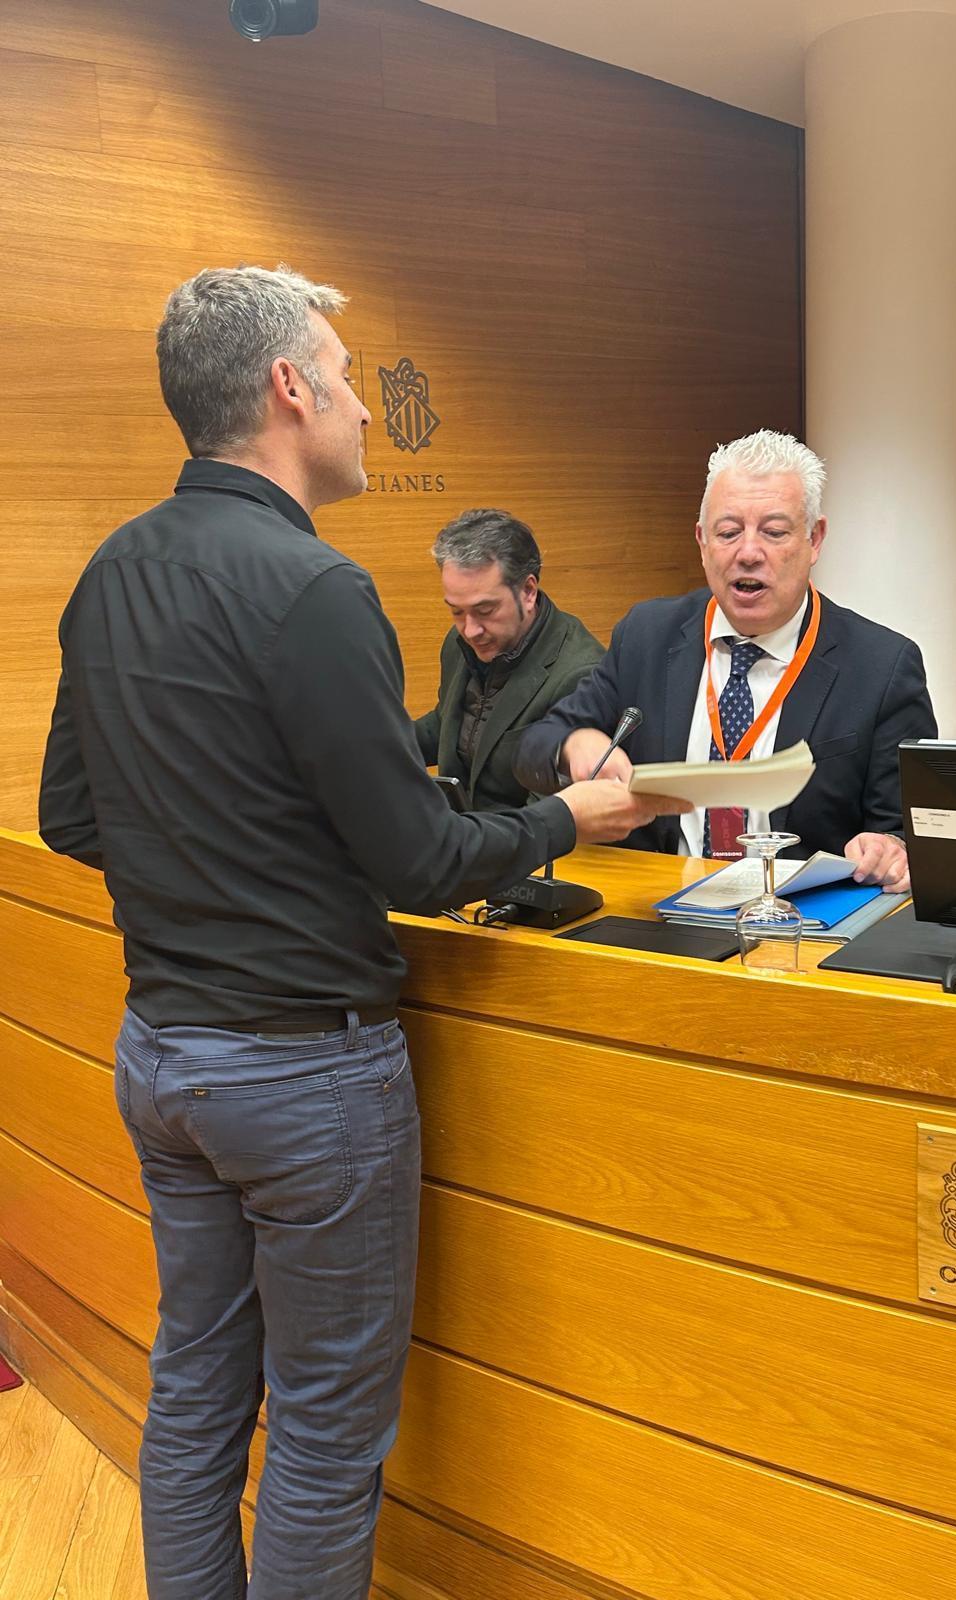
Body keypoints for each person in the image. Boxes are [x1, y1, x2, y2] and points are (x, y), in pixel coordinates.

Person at [37, 264, 683, 1600]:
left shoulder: (112, 570)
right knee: (326, 1436)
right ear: (286, 388)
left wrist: (216, 870)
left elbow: (70, 818)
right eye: (341, 376)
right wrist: (567, 814)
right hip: (302, 1078)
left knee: (197, 1394)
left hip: (160, 1055)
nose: (364, 407)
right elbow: (424, 860)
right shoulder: (314, 587)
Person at [516, 429, 936, 891]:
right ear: (702, 542)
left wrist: (890, 847)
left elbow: (914, 830)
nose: (748, 553)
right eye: (728, 532)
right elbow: (534, 746)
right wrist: (575, 745)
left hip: (797, 923)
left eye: (774, 532)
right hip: (656, 913)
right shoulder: (648, 635)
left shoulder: (882, 666)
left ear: (815, 539)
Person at [413, 508, 603, 810]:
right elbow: (449, 724)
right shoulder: (458, 642)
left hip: (524, 847)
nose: (470, 630)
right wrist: (377, 744)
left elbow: (549, 817)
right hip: (461, 835)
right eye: (456, 612)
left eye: (485, 611)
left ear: (528, 591)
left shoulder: (581, 674)